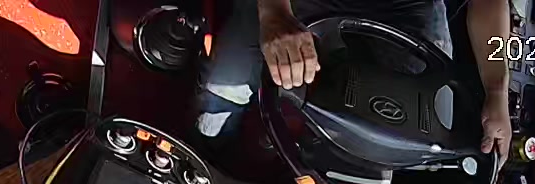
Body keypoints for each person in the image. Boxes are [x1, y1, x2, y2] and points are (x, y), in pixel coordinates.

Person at [195, 0, 513, 159]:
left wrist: (497, 90)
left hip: (407, 9)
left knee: (422, 137)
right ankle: (211, 147)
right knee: (225, 84)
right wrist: (274, 14)